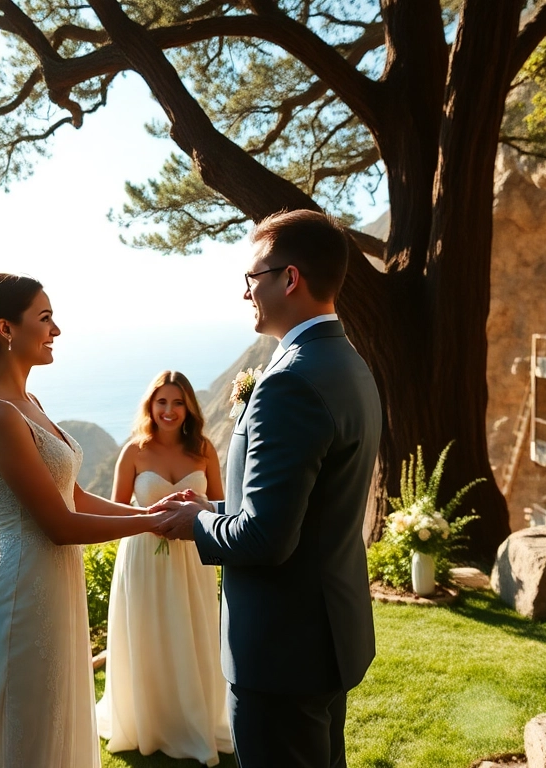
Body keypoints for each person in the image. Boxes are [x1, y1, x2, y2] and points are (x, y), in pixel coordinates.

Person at [158, 210, 383, 768]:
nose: (245, 293)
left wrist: (195, 524)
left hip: (282, 651)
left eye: (252, 277)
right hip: (328, 635)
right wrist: (214, 506)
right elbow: (306, 502)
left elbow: (265, 538)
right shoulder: (349, 364)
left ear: (290, 279)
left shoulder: (290, 382)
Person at [0, 273, 176, 768]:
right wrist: (150, 524)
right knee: (25, 741)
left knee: (54, 729)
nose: (56, 329)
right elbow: (61, 524)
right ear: (6, 329)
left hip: (51, 584)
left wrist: (148, 512)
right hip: (21, 592)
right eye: (45, 317)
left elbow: (73, 495)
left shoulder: (28, 404)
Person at [96, 371, 233, 766]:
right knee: (148, 632)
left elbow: (222, 507)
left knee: (192, 631)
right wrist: (149, 517)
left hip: (193, 559)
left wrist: (200, 509)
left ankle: (195, 718)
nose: (169, 411)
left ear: (188, 406)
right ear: (150, 406)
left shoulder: (204, 449)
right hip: (142, 558)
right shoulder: (134, 452)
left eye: (177, 402)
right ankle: (149, 722)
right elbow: (116, 509)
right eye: (162, 402)